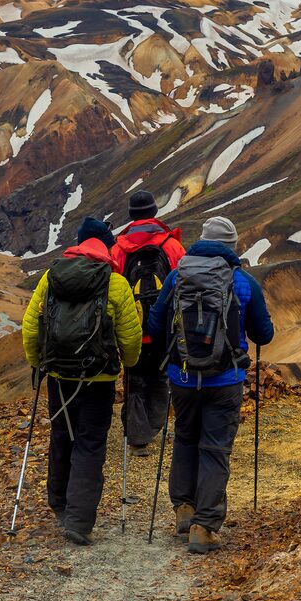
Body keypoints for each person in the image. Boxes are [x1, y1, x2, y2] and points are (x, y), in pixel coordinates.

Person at [145, 215, 274, 554]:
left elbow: (155, 324)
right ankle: (204, 527)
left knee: (185, 438)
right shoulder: (243, 281)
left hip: (183, 378)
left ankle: (183, 510)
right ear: (232, 248)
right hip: (226, 379)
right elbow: (264, 334)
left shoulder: (177, 276)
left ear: (200, 242)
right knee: (215, 448)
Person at [21, 217, 142, 545]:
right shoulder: (115, 284)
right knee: (90, 443)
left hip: (59, 375)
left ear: (78, 243)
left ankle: (59, 503)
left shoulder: (51, 276)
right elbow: (130, 338)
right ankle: (78, 519)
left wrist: (39, 363)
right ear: (105, 246)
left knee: (62, 436)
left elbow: (31, 326)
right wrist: (129, 363)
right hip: (98, 378)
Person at [110, 190, 186, 456]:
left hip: (131, 329)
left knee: (135, 378)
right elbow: (184, 283)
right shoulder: (171, 246)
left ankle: (138, 438)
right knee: (160, 376)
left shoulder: (118, 249)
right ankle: (155, 425)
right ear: (154, 212)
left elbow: (113, 287)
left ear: (131, 215)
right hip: (164, 328)